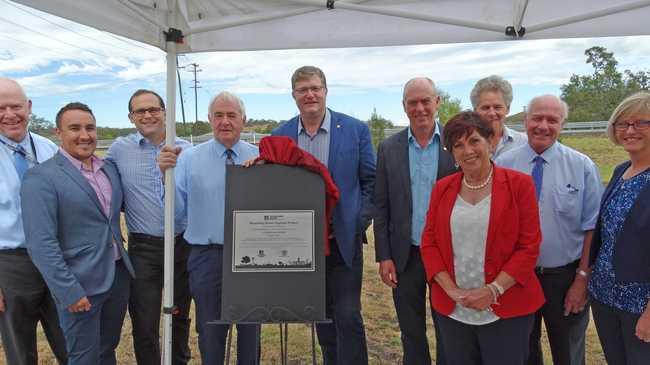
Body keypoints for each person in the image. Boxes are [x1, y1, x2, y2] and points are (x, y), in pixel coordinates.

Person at [421, 111, 544, 364]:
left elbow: (528, 246)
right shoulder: (442, 189)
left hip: (506, 307)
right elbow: (429, 242)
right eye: (458, 145)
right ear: (452, 153)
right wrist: (450, 289)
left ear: (490, 141)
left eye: (474, 141)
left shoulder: (519, 185)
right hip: (454, 308)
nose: (467, 151)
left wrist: (493, 290)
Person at [272, 65, 375, 364]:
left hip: (343, 241)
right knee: (323, 317)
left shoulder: (355, 130)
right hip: (303, 246)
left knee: (348, 315)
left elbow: (370, 181)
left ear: (325, 90)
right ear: (294, 95)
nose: (310, 94)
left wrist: (357, 222)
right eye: (303, 90)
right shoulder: (282, 134)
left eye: (315, 88)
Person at [21, 102, 135, 365]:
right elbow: (41, 243)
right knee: (84, 356)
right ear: (58, 133)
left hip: (117, 276)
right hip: (79, 282)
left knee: (108, 350)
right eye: (75, 128)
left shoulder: (109, 169)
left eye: (90, 128)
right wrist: (68, 290)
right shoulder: (40, 178)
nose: (84, 135)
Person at [496, 95, 603, 365]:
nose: (543, 125)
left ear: (562, 125)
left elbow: (593, 227)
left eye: (552, 120)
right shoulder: (503, 165)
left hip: (565, 278)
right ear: (525, 121)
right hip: (518, 278)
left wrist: (581, 279)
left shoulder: (582, 166)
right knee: (523, 351)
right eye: (537, 118)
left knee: (568, 353)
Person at [159, 91, 260, 365]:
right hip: (207, 256)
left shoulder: (261, 157)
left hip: (252, 257)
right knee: (211, 329)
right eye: (218, 115)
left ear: (244, 119)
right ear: (209, 120)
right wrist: (164, 178)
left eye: (231, 115)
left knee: (250, 328)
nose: (224, 121)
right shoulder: (189, 159)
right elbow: (175, 212)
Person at [107, 89, 192, 364]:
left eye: (153, 109)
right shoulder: (119, 150)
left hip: (182, 244)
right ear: (131, 117)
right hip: (143, 248)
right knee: (144, 322)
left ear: (165, 112)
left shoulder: (187, 150)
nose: (147, 115)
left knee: (179, 316)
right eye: (140, 111)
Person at [373, 77, 454, 364]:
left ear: (437, 102)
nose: (420, 108)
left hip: (447, 256)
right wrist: (384, 255)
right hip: (405, 254)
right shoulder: (389, 148)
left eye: (425, 101)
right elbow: (380, 206)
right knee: (411, 329)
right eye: (413, 103)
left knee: (449, 328)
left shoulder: (456, 145)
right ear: (404, 107)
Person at [0, 77, 67, 365]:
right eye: (0, 108)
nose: (9, 114)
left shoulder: (50, 149)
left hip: (54, 259)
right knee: (20, 352)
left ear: (28, 107)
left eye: (15, 106)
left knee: (70, 342)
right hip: (10, 265)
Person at [588, 91, 650, 364]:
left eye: (641, 123)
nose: (630, 130)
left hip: (640, 304)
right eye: (623, 124)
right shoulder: (621, 170)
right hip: (604, 296)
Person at [470, 75, 527, 159]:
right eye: (486, 107)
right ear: (475, 111)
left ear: (507, 109)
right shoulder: (464, 145)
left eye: (497, 107)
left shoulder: (524, 143)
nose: (492, 113)